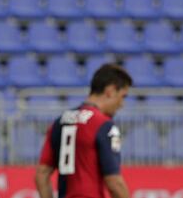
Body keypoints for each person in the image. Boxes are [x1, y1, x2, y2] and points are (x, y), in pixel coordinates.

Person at [35, 63, 132, 198]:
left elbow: (42, 173)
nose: (122, 104)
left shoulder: (60, 121)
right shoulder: (104, 125)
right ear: (110, 91)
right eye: (123, 96)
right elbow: (115, 182)